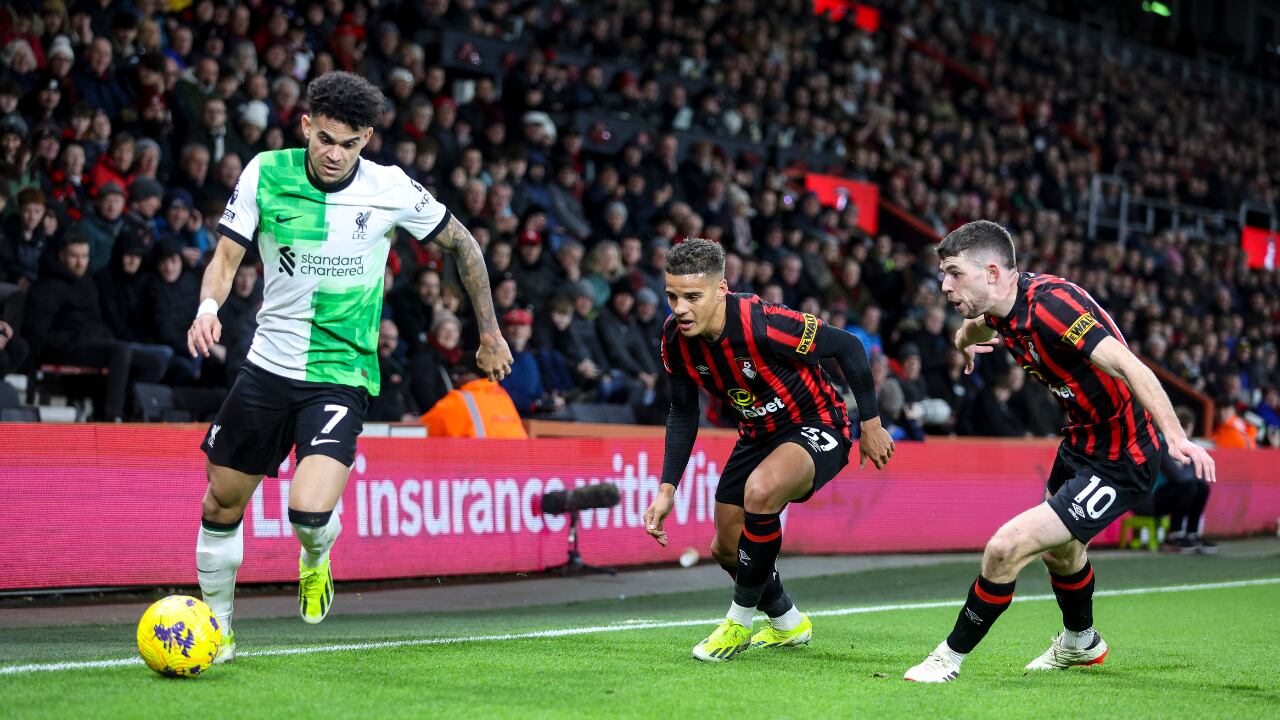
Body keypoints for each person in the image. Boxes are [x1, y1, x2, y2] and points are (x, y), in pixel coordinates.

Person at [186, 72, 512, 664]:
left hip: (341, 371)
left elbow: (464, 244)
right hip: (266, 367)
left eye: (351, 143)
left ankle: (315, 558)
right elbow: (227, 254)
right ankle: (218, 629)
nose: (336, 154)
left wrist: (489, 332)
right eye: (327, 139)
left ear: (367, 139)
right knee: (219, 504)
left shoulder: (389, 187)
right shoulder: (265, 171)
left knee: (309, 514)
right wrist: (208, 307)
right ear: (307, 126)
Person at [904, 221, 1215, 682]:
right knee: (1063, 554)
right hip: (1079, 443)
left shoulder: (1053, 308)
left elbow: (1130, 366)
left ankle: (947, 658)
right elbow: (973, 328)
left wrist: (1175, 436)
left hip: (1121, 457)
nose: (944, 285)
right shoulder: (999, 308)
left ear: (992, 272)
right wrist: (962, 347)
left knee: (1005, 548)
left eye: (953, 273)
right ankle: (1082, 643)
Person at [643, 238, 894, 662]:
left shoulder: (763, 322)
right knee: (725, 547)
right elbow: (684, 413)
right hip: (757, 434)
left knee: (760, 492)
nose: (680, 309)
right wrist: (667, 488)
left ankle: (738, 623)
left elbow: (848, 346)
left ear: (721, 290)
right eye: (671, 296)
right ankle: (786, 621)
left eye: (691, 297)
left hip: (818, 423)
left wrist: (870, 423)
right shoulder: (675, 341)